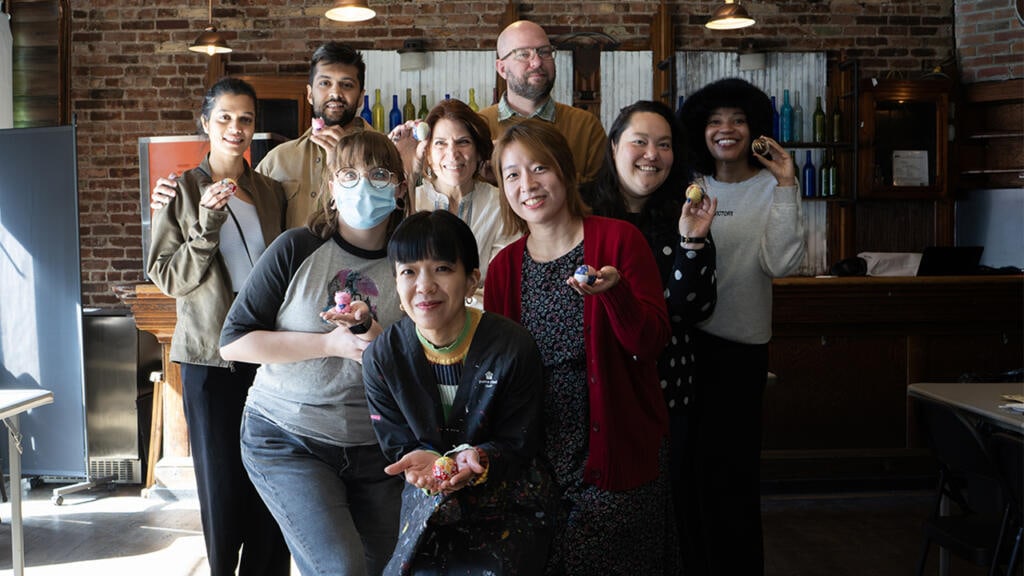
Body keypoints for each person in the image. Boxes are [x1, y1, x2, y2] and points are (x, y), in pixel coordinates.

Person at [483, 119, 673, 575]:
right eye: (512, 174)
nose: (527, 184)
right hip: (539, 466)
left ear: (565, 172)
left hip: (615, 455)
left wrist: (616, 295)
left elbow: (649, 344)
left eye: (539, 168)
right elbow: (498, 375)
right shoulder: (504, 268)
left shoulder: (618, 241)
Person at [219, 130, 410, 576]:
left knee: (385, 567)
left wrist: (379, 344)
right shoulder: (296, 248)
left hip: (376, 445)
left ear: (400, 188)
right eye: (349, 174)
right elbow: (235, 340)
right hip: (289, 437)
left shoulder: (411, 259)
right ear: (330, 186)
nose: (363, 185)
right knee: (340, 567)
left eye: (379, 174)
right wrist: (329, 345)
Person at [146, 76, 290, 576]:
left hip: (268, 355)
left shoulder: (270, 192)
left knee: (272, 479)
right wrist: (207, 222)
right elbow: (167, 276)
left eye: (245, 119)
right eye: (224, 117)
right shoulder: (181, 191)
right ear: (205, 123)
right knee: (222, 484)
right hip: (210, 358)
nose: (235, 128)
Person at [363, 209, 556, 575]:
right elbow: (398, 444)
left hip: (508, 502)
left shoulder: (512, 347)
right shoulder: (382, 357)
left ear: (471, 281)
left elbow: (522, 439)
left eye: (442, 269)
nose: (424, 286)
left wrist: (480, 458)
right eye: (409, 271)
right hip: (429, 501)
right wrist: (419, 458)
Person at [677, 77, 806, 576]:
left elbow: (781, 263)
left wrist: (788, 182)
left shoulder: (772, 186)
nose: (725, 129)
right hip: (686, 348)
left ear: (754, 128)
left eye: (736, 119)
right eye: (714, 120)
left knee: (733, 478)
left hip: (741, 353)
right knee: (687, 474)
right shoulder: (689, 185)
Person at [583, 99, 718, 570]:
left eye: (664, 145)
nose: (651, 154)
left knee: (665, 507)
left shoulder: (684, 214)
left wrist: (691, 242)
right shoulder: (581, 211)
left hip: (667, 386)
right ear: (615, 145)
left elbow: (691, 309)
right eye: (639, 141)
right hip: (595, 385)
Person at [151, 42, 371, 229]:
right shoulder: (278, 159)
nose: (335, 93)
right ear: (310, 94)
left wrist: (346, 161)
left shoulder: (387, 152)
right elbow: (240, 209)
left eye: (346, 84)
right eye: (325, 83)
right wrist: (174, 195)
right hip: (292, 279)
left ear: (361, 97)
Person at [393, 98, 518, 288]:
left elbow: (501, 281)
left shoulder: (500, 204)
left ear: (478, 151)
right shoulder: (410, 199)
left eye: (463, 142)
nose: (452, 154)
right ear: (427, 152)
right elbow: (401, 269)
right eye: (440, 143)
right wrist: (409, 175)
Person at [478, 20, 607, 186]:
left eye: (545, 52)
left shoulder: (586, 126)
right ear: (502, 69)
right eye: (524, 54)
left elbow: (602, 198)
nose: (537, 62)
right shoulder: (478, 127)